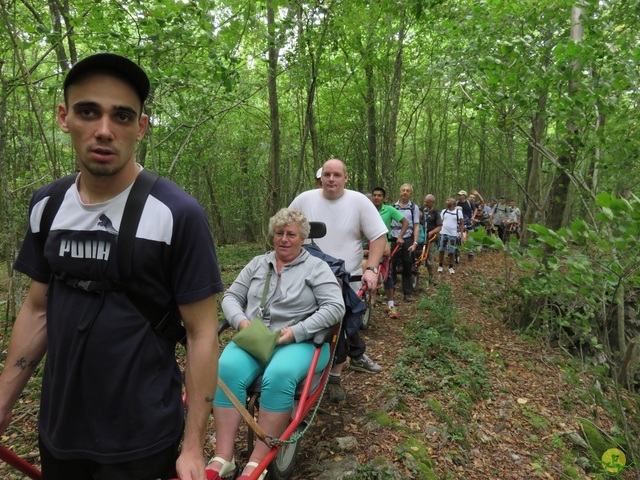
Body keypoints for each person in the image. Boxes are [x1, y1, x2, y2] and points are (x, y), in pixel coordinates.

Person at [0, 53, 223, 480]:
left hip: (142, 438)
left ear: (140, 127)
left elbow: (202, 332)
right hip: (59, 430)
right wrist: (5, 402)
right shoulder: (47, 206)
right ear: (64, 118)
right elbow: (37, 309)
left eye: (122, 116)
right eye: (88, 111)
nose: (104, 130)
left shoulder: (177, 213)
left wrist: (194, 446)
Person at [207, 208, 345, 480]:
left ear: (302, 237)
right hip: (255, 337)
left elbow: (335, 307)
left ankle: (258, 461)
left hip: (298, 341)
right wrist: (241, 322)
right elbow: (231, 296)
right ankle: (224, 457)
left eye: (291, 234)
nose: (284, 239)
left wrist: (297, 331)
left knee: (279, 375)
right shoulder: (258, 263)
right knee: (226, 368)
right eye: (279, 233)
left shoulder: (317, 268)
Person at [289, 159, 387, 402]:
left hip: (346, 280)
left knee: (339, 329)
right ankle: (302, 376)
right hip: (305, 278)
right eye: (327, 174)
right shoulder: (304, 199)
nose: (331, 179)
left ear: (346, 177)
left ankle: (334, 377)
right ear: (321, 177)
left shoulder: (359, 201)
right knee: (303, 325)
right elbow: (285, 228)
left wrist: (372, 268)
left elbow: (378, 235)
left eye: (336, 175)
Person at [371, 187, 408, 318]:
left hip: (383, 246)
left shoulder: (389, 210)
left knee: (386, 275)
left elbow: (405, 222)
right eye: (374, 195)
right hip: (365, 245)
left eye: (379, 195)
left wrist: (400, 236)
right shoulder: (367, 209)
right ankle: (369, 301)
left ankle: (391, 305)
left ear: (384, 198)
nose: (376, 197)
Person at [390, 184, 420, 301]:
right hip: (393, 236)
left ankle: (407, 293)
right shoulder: (393, 206)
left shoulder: (413, 207)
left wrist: (415, 242)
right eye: (403, 190)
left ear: (410, 193)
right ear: (400, 192)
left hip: (408, 237)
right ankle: (390, 292)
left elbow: (416, 225)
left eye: (408, 191)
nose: (405, 193)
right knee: (391, 264)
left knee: (407, 264)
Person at [438, 198, 464, 274]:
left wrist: (461, 234)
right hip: (443, 233)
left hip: (453, 234)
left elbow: (461, 223)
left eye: (448, 201)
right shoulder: (444, 211)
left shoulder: (458, 212)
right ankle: (440, 266)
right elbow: (440, 222)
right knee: (441, 249)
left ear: (453, 203)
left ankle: (451, 266)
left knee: (452, 251)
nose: (446, 202)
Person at [421, 194, 443, 281]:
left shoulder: (436, 213)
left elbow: (439, 226)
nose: (425, 203)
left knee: (429, 256)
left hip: (430, 239)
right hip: (419, 238)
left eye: (428, 202)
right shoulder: (420, 210)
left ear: (432, 203)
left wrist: (431, 232)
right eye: (425, 201)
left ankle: (431, 275)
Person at [456, 190, 477, 261]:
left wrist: (473, 216)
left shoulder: (469, 203)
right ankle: (456, 253)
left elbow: (475, 209)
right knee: (458, 238)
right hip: (459, 224)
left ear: (464, 196)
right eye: (458, 195)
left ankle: (470, 254)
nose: (459, 196)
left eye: (460, 195)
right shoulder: (456, 203)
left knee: (469, 239)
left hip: (468, 223)